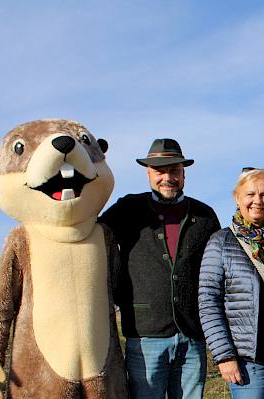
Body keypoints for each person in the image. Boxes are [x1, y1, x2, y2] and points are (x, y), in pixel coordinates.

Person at [99, 138, 221, 398]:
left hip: (192, 334)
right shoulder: (128, 209)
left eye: (174, 170)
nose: (168, 177)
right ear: (148, 174)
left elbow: (217, 270)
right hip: (145, 333)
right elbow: (94, 236)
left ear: (184, 173)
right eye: (159, 171)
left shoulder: (205, 215)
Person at [199, 168, 264, 398]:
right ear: (237, 198)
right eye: (250, 194)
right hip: (248, 360)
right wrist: (224, 356)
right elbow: (208, 302)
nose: (258, 201)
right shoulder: (221, 242)